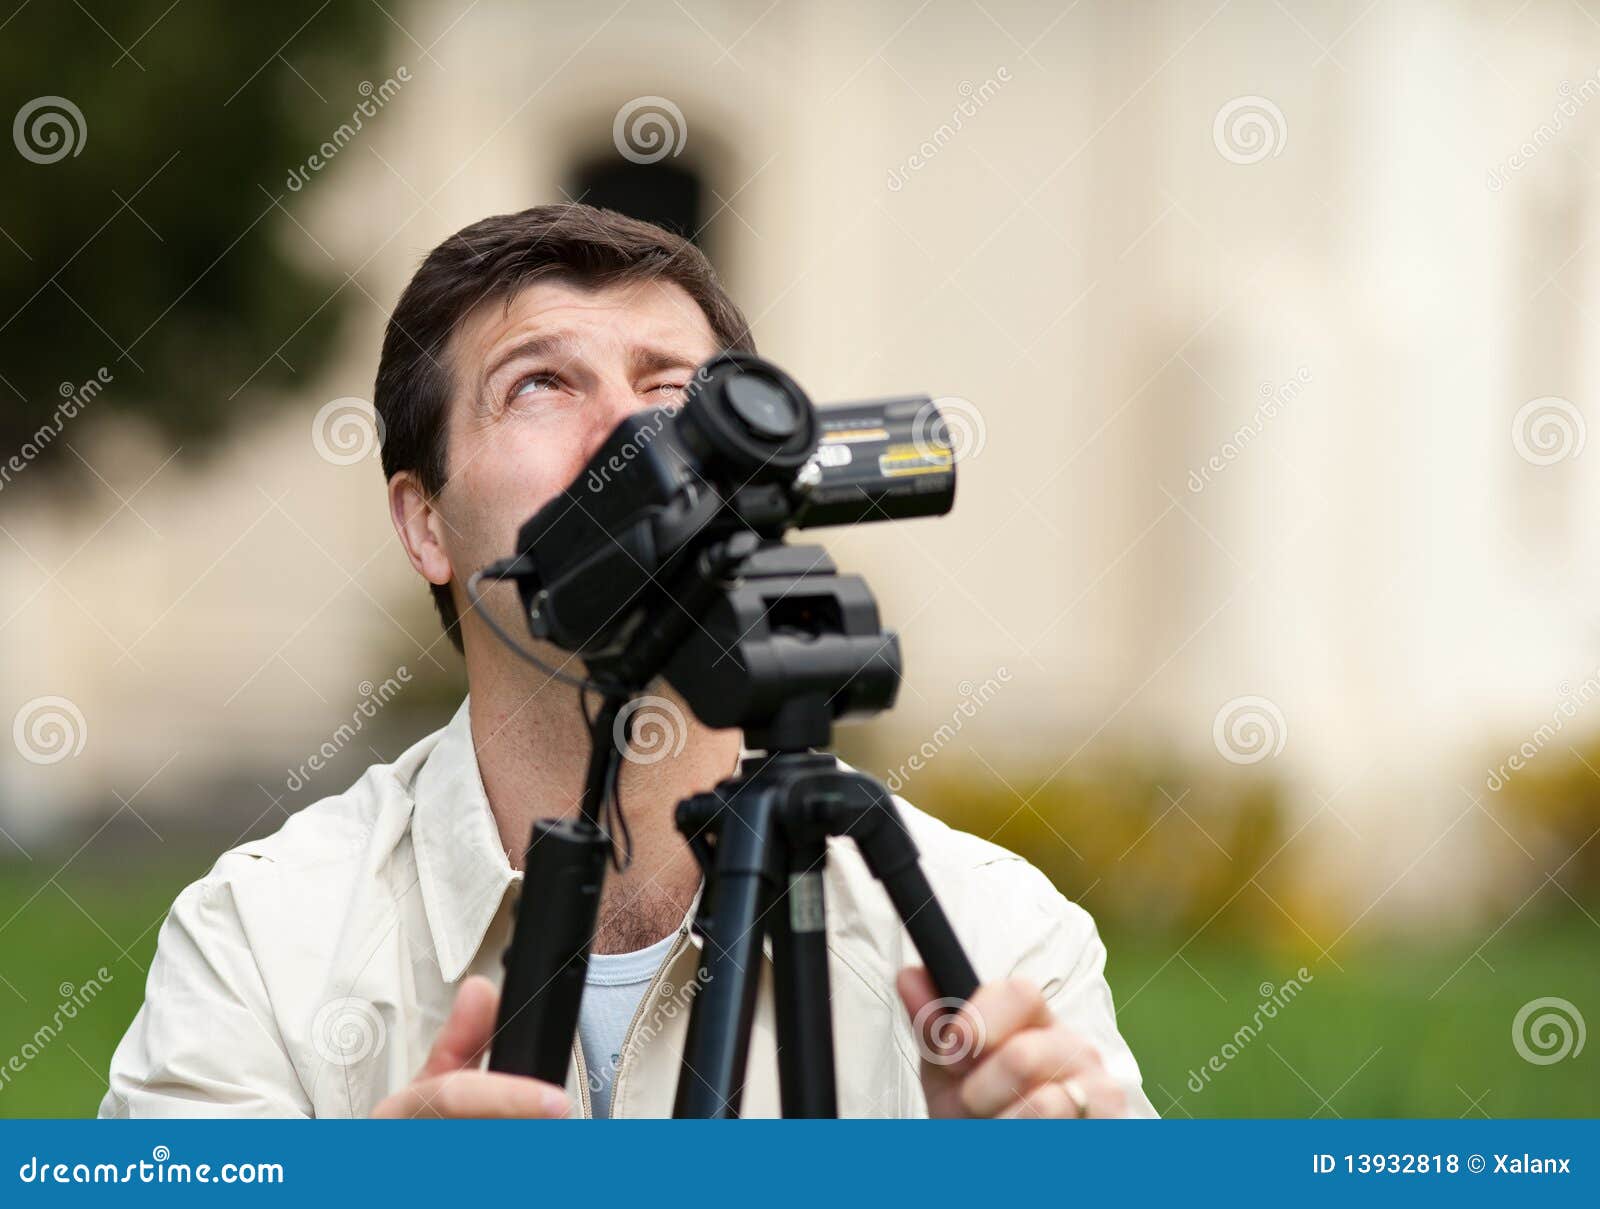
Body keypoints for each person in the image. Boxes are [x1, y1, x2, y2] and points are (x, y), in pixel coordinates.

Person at [101, 204, 1155, 1120]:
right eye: (542, 386)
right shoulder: (263, 944)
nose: (632, 436)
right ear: (425, 525)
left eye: (674, 391)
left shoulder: (994, 934)